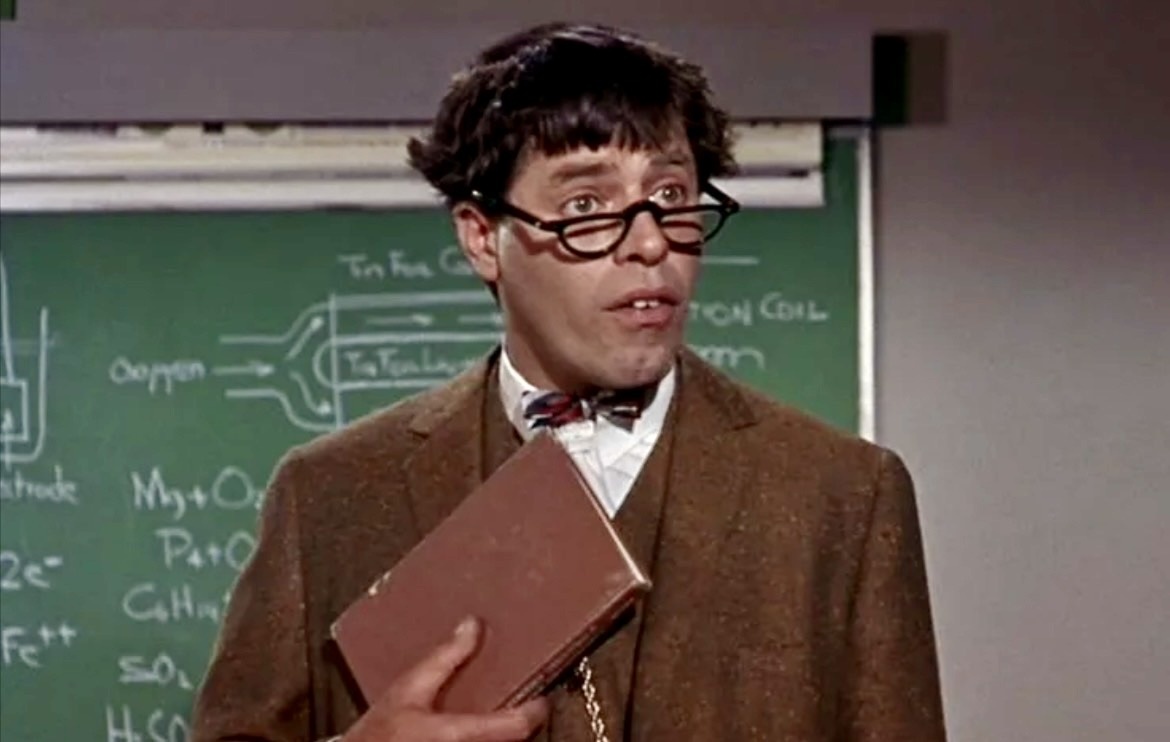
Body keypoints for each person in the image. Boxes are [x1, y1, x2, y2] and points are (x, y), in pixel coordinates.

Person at [191, 21, 946, 742]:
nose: (649, 242)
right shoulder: (330, 497)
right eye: (587, 206)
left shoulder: (844, 498)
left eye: (671, 197)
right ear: (483, 238)